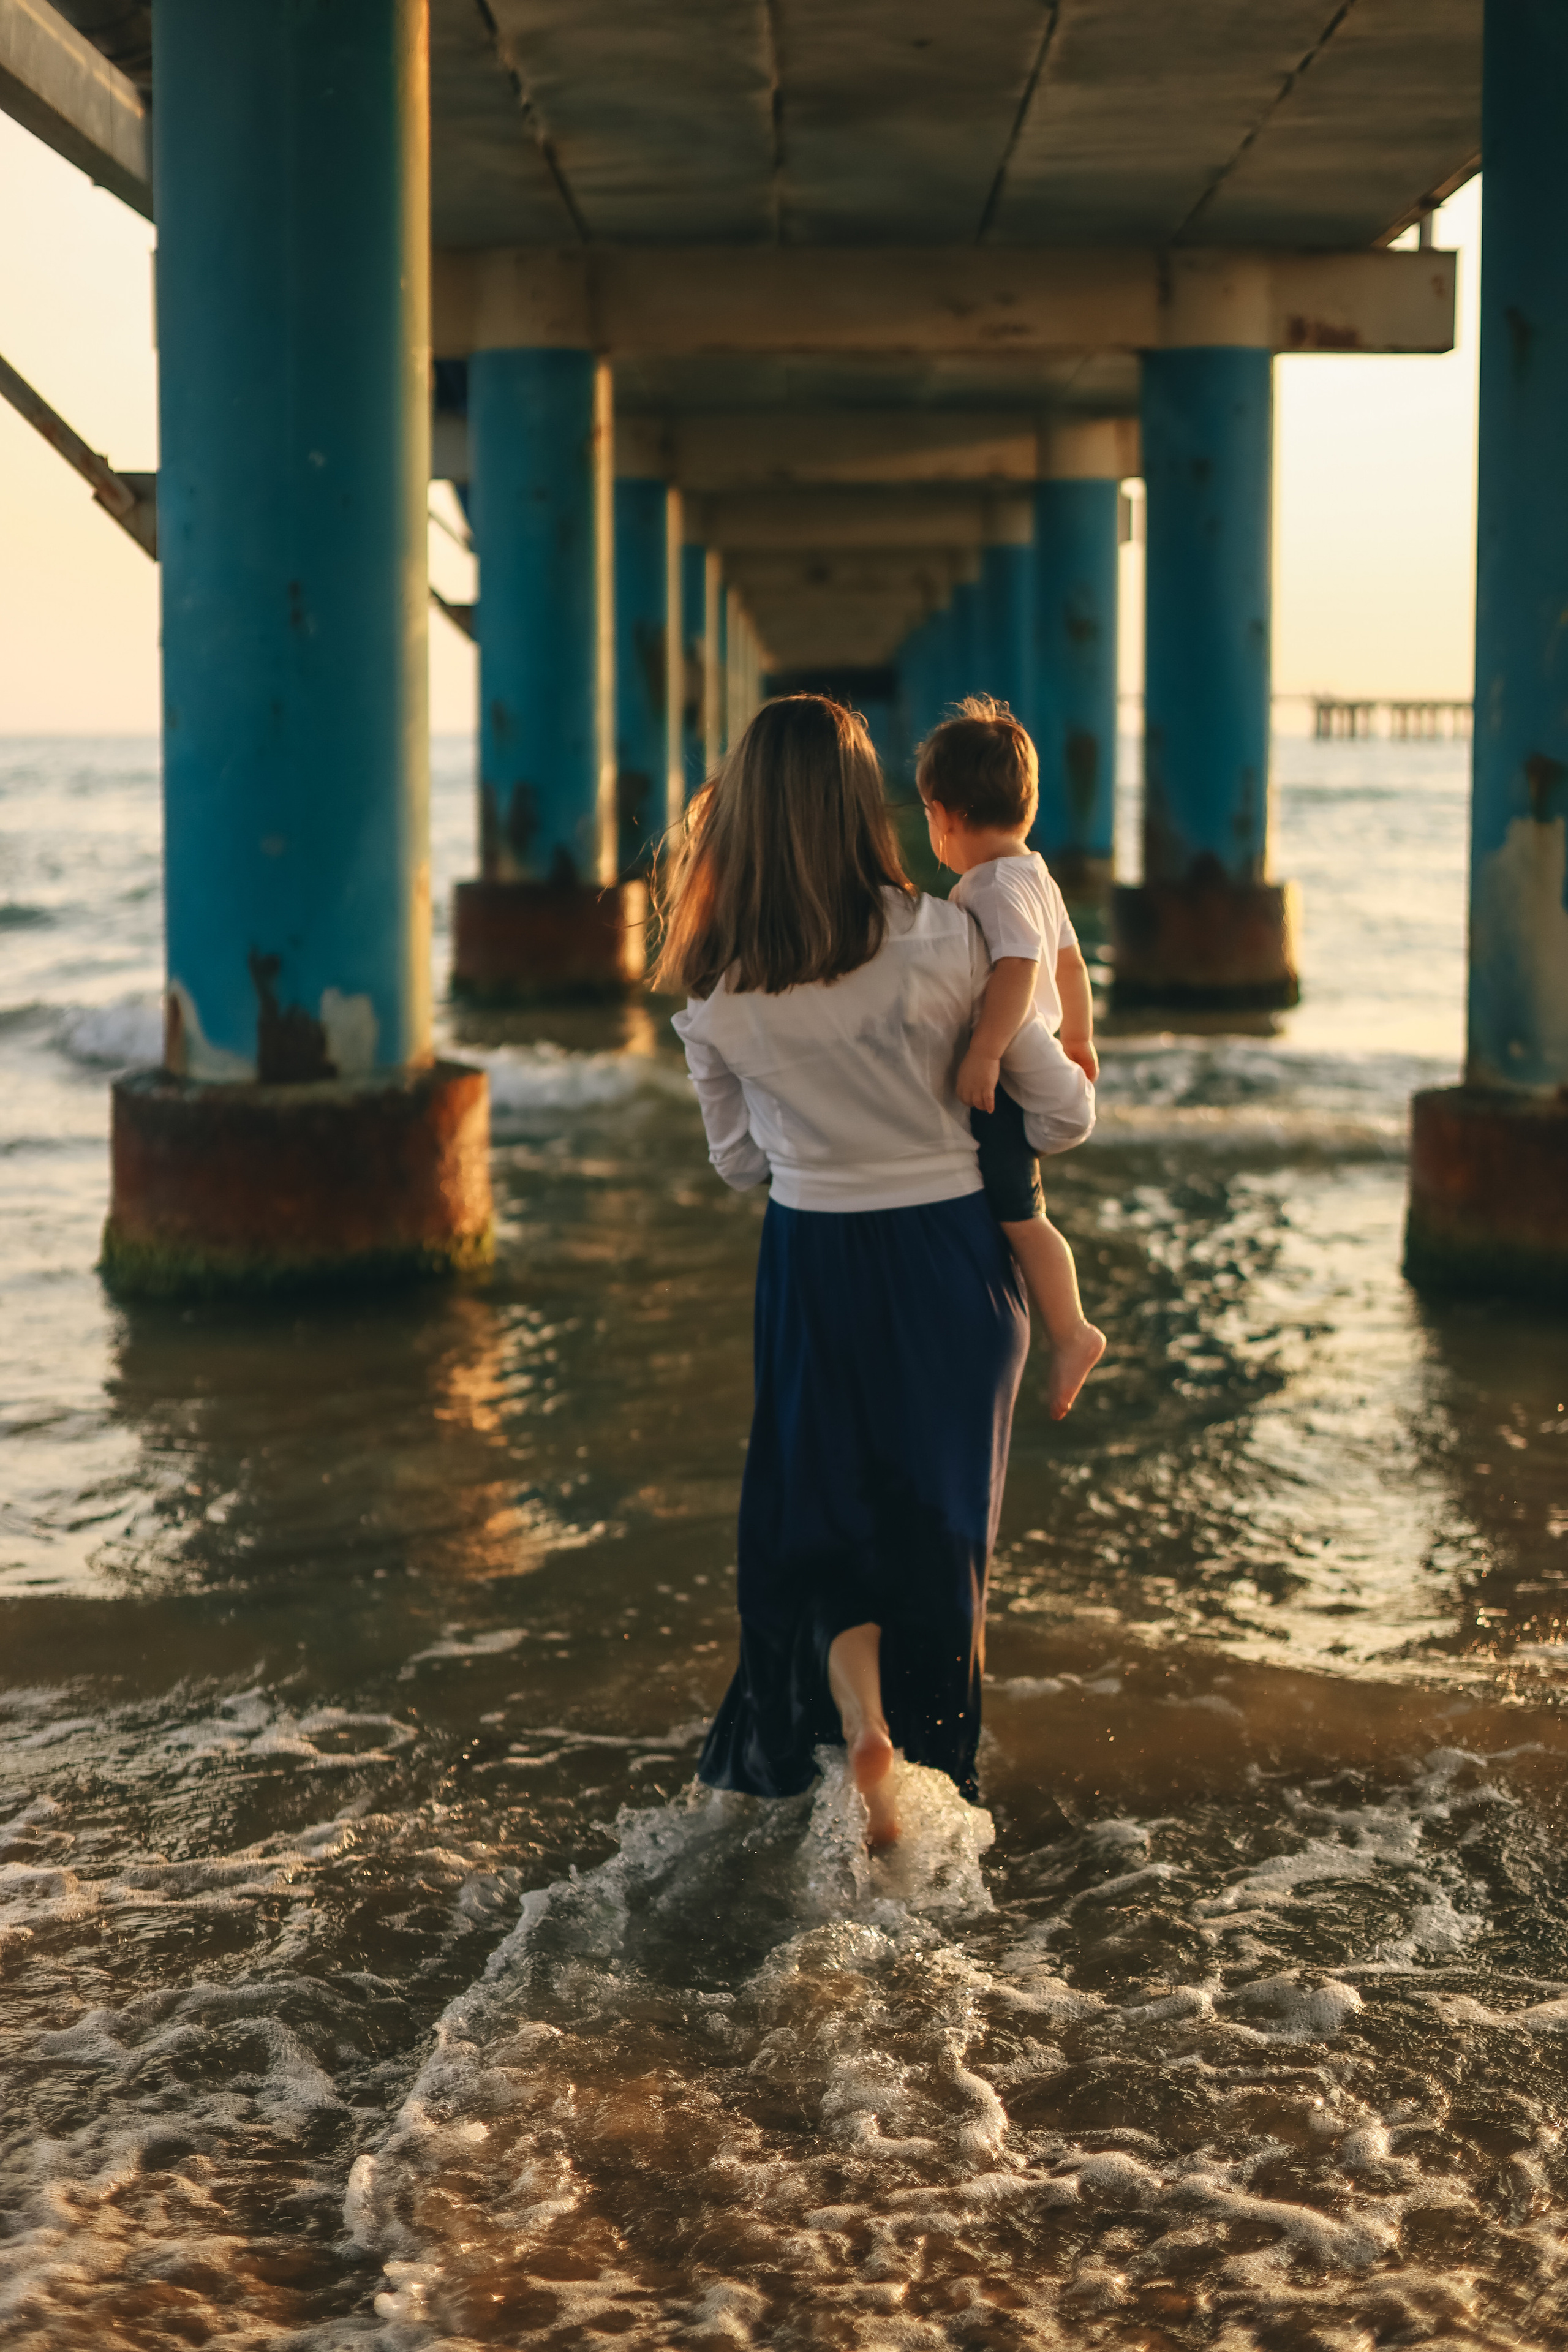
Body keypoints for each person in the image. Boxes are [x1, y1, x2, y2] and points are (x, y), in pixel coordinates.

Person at [655, 695, 1094, 1847]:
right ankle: (937, 1820)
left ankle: (852, 1731)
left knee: (818, 1529)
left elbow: (741, 1165)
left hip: (815, 1265)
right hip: (952, 1263)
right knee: (936, 1542)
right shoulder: (955, 938)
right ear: (869, 806)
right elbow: (1056, 1117)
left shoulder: (716, 986)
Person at [918, 698, 1107, 1422]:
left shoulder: (990, 887)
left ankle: (1070, 1330)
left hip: (1024, 1084)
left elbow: (1020, 969)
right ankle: (1064, 1330)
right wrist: (1081, 1038)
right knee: (1022, 1208)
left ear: (946, 815)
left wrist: (985, 1054)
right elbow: (1072, 964)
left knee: (1018, 1215)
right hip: (1047, 1068)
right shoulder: (1034, 873)